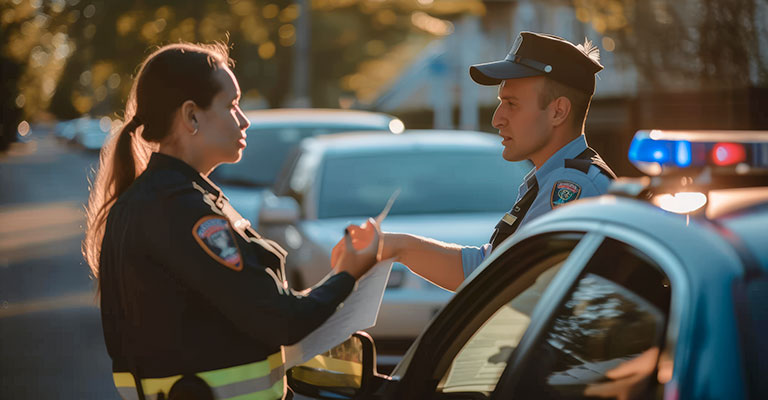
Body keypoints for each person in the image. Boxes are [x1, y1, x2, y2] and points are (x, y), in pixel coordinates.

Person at [82, 42, 381, 400]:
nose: (244, 119)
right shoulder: (183, 210)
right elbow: (279, 319)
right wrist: (348, 274)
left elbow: (240, 312)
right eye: (232, 105)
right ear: (191, 116)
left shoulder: (160, 200)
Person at [336, 32, 615, 292]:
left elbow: (499, 283)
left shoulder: (572, 188)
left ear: (558, 111)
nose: (497, 119)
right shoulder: (557, 177)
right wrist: (393, 246)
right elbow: (488, 266)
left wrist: (396, 247)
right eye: (500, 102)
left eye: (512, 104)